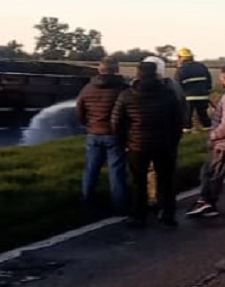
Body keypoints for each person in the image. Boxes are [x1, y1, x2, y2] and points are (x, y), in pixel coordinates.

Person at [113, 60, 184, 227]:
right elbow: (177, 121)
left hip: (137, 144)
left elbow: (117, 122)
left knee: (138, 181)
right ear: (157, 74)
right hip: (164, 144)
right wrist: (173, 141)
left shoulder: (127, 95)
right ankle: (167, 215)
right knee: (165, 180)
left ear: (138, 74)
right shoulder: (168, 94)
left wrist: (124, 142)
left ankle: (139, 216)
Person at [186, 63, 225, 219]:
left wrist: (213, 135)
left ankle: (206, 203)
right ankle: (206, 202)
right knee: (211, 173)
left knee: (211, 173)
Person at [74, 56, 129, 212]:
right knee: (116, 171)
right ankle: (120, 206)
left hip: (93, 133)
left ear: (100, 69)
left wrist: (88, 125)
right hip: (114, 135)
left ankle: (87, 202)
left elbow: (79, 111)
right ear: (116, 69)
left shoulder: (87, 88)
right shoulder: (123, 89)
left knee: (91, 169)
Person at [141, 56, 187, 210]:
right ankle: (165, 203)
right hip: (167, 138)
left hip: (143, 137)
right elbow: (181, 111)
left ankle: (151, 200)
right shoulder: (173, 87)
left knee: (147, 171)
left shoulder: (136, 87)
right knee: (166, 172)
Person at [175, 48, 213, 130]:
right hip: (203, 95)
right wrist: (208, 90)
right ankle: (207, 127)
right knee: (203, 113)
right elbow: (208, 79)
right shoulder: (201, 66)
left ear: (181, 58)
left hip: (188, 97)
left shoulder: (181, 70)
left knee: (187, 114)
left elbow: (177, 84)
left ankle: (187, 129)